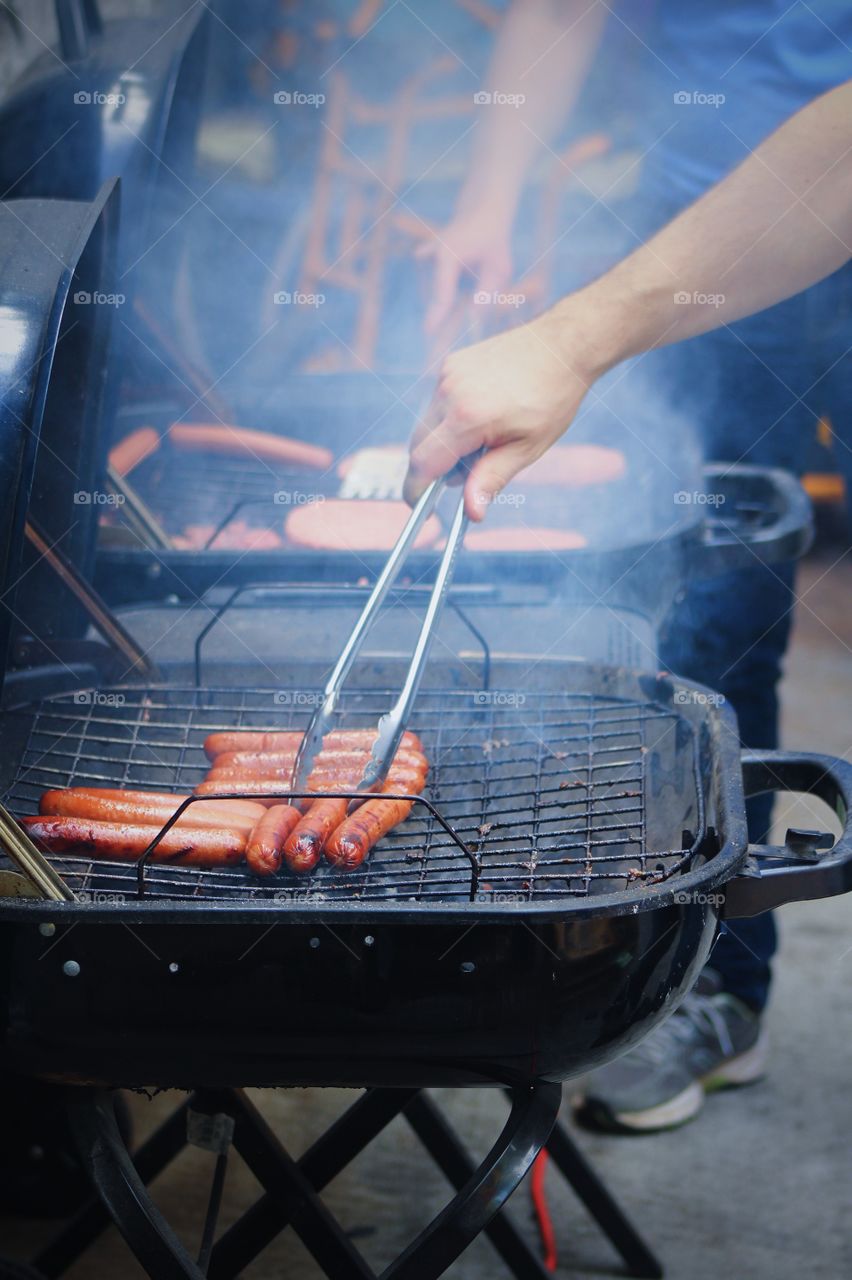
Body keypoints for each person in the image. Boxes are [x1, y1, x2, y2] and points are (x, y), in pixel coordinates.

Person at [407, 53, 852, 1132]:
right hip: (714, 232)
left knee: (724, 612)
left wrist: (568, 339)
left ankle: (715, 984)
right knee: (706, 629)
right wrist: (489, 205)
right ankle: (684, 973)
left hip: (784, 216)